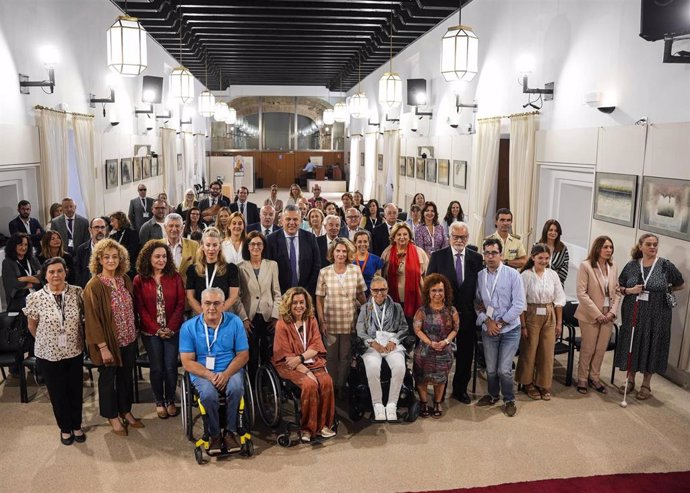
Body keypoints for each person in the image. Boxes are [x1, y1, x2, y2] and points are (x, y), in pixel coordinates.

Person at [83, 238, 142, 436]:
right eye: (106, 257)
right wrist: (102, 347)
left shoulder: (124, 279)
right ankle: (112, 415)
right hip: (108, 343)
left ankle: (125, 410)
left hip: (129, 338)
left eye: (115, 256)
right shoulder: (94, 286)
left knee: (126, 378)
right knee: (108, 380)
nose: (111, 260)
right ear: (99, 259)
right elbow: (92, 320)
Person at [24, 257, 85, 445]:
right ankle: (65, 428)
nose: (56, 275)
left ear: (66, 272)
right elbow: (32, 326)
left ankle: (77, 425)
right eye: (51, 272)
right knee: (57, 392)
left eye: (59, 271)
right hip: (48, 353)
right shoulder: (35, 297)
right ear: (45, 275)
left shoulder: (77, 292)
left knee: (75, 390)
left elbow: (82, 320)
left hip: (74, 350)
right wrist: (46, 341)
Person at [615, 234, 684, 400]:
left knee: (652, 344)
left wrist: (664, 291)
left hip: (657, 315)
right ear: (641, 246)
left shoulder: (665, 266)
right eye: (649, 244)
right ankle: (630, 380)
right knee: (633, 341)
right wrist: (630, 291)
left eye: (655, 244)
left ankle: (646, 384)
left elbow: (680, 284)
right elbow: (619, 286)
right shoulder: (631, 266)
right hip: (634, 312)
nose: (652, 247)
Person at [180, 287, 249, 452]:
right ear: (201, 305)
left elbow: (243, 355)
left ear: (224, 304)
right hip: (202, 372)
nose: (212, 308)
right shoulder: (189, 327)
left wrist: (225, 374)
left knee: (236, 388)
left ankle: (231, 432)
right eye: (208, 303)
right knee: (209, 394)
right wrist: (210, 375)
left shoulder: (235, 322)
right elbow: (187, 362)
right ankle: (215, 434)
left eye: (217, 303)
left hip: (229, 370)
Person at [426, 221, 483, 404]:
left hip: (467, 314)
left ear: (467, 238)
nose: (459, 240)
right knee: (441, 353)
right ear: (449, 237)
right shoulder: (438, 256)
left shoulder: (476, 258)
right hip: (443, 315)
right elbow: (429, 285)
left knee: (466, 354)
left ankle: (460, 389)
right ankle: (439, 389)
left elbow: (480, 288)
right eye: (456, 236)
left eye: (463, 237)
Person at [272, 287, 335, 442]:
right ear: (288, 304)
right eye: (295, 303)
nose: (299, 306)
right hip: (289, 365)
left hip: (308, 360)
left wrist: (301, 358)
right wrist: (307, 372)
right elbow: (287, 357)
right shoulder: (282, 324)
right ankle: (307, 428)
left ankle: (323, 426)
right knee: (310, 385)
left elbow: (316, 345)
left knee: (327, 381)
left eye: (302, 302)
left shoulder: (311, 320)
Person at [133, 240, 185, 419]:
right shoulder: (140, 279)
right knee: (156, 368)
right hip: (150, 332)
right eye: (157, 256)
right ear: (149, 257)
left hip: (172, 331)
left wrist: (170, 328)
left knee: (170, 367)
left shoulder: (175, 276)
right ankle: (159, 401)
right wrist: (156, 329)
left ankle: (170, 400)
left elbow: (180, 304)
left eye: (164, 256)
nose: (161, 259)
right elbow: (140, 309)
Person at [475, 238, 526, 417]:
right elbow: (478, 302)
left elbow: (519, 305)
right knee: (490, 369)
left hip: (510, 329)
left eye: (494, 253)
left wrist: (501, 322)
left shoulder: (513, 275)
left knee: (504, 369)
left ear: (501, 255)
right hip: (489, 329)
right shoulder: (480, 276)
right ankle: (492, 395)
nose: (490, 257)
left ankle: (509, 399)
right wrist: (486, 321)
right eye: (487, 253)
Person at [515, 243, 566, 401]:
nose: (544, 261)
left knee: (546, 351)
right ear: (533, 257)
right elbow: (521, 303)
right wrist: (523, 325)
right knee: (529, 350)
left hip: (549, 314)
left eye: (546, 258)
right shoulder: (525, 276)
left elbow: (559, 299)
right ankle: (527, 383)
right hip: (531, 314)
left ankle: (542, 383)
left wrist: (558, 323)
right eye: (540, 258)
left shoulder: (552, 275)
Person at [315, 238, 367, 391]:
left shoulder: (355, 270)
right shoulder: (324, 272)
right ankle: (330, 387)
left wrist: (369, 314)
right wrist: (322, 321)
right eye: (338, 250)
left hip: (349, 321)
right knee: (330, 357)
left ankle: (341, 386)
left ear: (349, 253)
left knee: (345, 357)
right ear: (333, 252)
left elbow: (361, 295)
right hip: (330, 322)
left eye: (344, 251)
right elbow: (319, 299)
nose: (341, 254)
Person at [356, 276, 408, 422]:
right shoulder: (365, 308)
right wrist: (372, 343)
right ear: (371, 291)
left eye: (382, 289)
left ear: (387, 290)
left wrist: (394, 340)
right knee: (373, 367)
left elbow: (404, 327)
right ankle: (377, 405)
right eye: (375, 290)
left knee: (399, 367)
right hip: (373, 344)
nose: (379, 293)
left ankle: (392, 404)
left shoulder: (396, 307)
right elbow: (360, 330)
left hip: (391, 343)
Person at [573, 236, 620, 395]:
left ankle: (594, 377)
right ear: (598, 248)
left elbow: (617, 292)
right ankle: (582, 378)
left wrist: (613, 311)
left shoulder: (613, 266)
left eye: (610, 247)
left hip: (608, 314)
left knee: (600, 349)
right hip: (590, 314)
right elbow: (581, 293)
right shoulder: (586, 266)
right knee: (588, 348)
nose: (609, 250)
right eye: (605, 247)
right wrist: (598, 314)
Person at [412, 274, 459, 418]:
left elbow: (455, 329)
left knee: (440, 380)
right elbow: (417, 329)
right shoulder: (422, 311)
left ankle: (438, 402)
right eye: (434, 290)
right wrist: (430, 343)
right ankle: (424, 402)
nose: (437, 294)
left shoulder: (451, 310)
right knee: (421, 379)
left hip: (444, 350)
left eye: (440, 290)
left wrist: (445, 342)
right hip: (425, 351)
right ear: (428, 292)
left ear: (445, 292)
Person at [238, 231, 281, 377]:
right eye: (252, 244)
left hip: (268, 317)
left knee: (267, 354)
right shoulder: (240, 267)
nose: (256, 247)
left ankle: (266, 387)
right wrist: (244, 318)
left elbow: (277, 293)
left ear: (263, 246)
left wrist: (276, 316)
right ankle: (253, 388)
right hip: (250, 317)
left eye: (259, 244)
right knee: (252, 354)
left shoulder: (272, 265)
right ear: (247, 247)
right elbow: (238, 297)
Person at [380, 223, 429, 328]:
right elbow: (382, 277)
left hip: (415, 300)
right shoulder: (387, 253)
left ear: (410, 236)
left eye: (405, 234)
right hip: (392, 300)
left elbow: (427, 277)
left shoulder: (419, 252)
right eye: (399, 234)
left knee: (413, 331)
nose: (402, 237)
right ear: (394, 237)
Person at [265, 205, 321, 295]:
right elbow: (268, 270)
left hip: (305, 294)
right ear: (282, 221)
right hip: (280, 295)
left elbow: (316, 266)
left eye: (295, 219)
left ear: (300, 221)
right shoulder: (270, 240)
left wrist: (305, 291)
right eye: (288, 219)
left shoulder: (310, 238)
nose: (292, 222)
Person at [186, 227, 240, 315]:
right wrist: (204, 315)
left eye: (215, 245)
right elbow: (190, 297)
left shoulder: (231, 269)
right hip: (200, 316)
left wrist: (217, 313)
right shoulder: (193, 270)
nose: (211, 249)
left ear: (219, 247)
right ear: (202, 246)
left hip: (224, 314)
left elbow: (233, 297)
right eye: (208, 245)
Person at [2, 233, 41, 311]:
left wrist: (26, 278)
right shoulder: (7, 262)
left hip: (37, 296)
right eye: (20, 245)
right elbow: (14, 284)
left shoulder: (32, 259)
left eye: (26, 245)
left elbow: (42, 277)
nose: (24, 248)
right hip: (19, 301)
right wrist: (34, 280)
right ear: (13, 246)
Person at [163, 213, 197, 284]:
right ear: (165, 227)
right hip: (164, 288)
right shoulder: (157, 245)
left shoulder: (194, 245)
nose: (174, 229)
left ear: (182, 228)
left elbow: (198, 269)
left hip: (186, 289)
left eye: (177, 226)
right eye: (171, 226)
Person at [73, 217, 107, 288]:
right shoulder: (81, 249)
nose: (100, 230)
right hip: (88, 289)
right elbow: (78, 274)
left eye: (102, 227)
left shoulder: (113, 248)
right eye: (96, 227)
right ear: (90, 230)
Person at [109, 211, 140, 280]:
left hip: (129, 270)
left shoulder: (133, 234)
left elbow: (132, 251)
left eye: (113, 221)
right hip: (116, 269)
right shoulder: (112, 236)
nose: (111, 224)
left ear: (120, 220)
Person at [539, 219, 570, 286]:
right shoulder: (537, 246)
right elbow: (533, 266)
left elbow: (564, 270)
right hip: (538, 283)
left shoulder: (563, 249)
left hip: (556, 285)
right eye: (550, 230)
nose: (553, 233)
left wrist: (552, 280)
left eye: (556, 231)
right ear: (545, 231)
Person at [352, 230, 382, 296]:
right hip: (353, 296)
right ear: (355, 243)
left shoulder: (376, 260)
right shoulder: (349, 260)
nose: (363, 244)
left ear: (369, 243)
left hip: (371, 296)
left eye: (365, 241)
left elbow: (378, 282)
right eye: (359, 242)